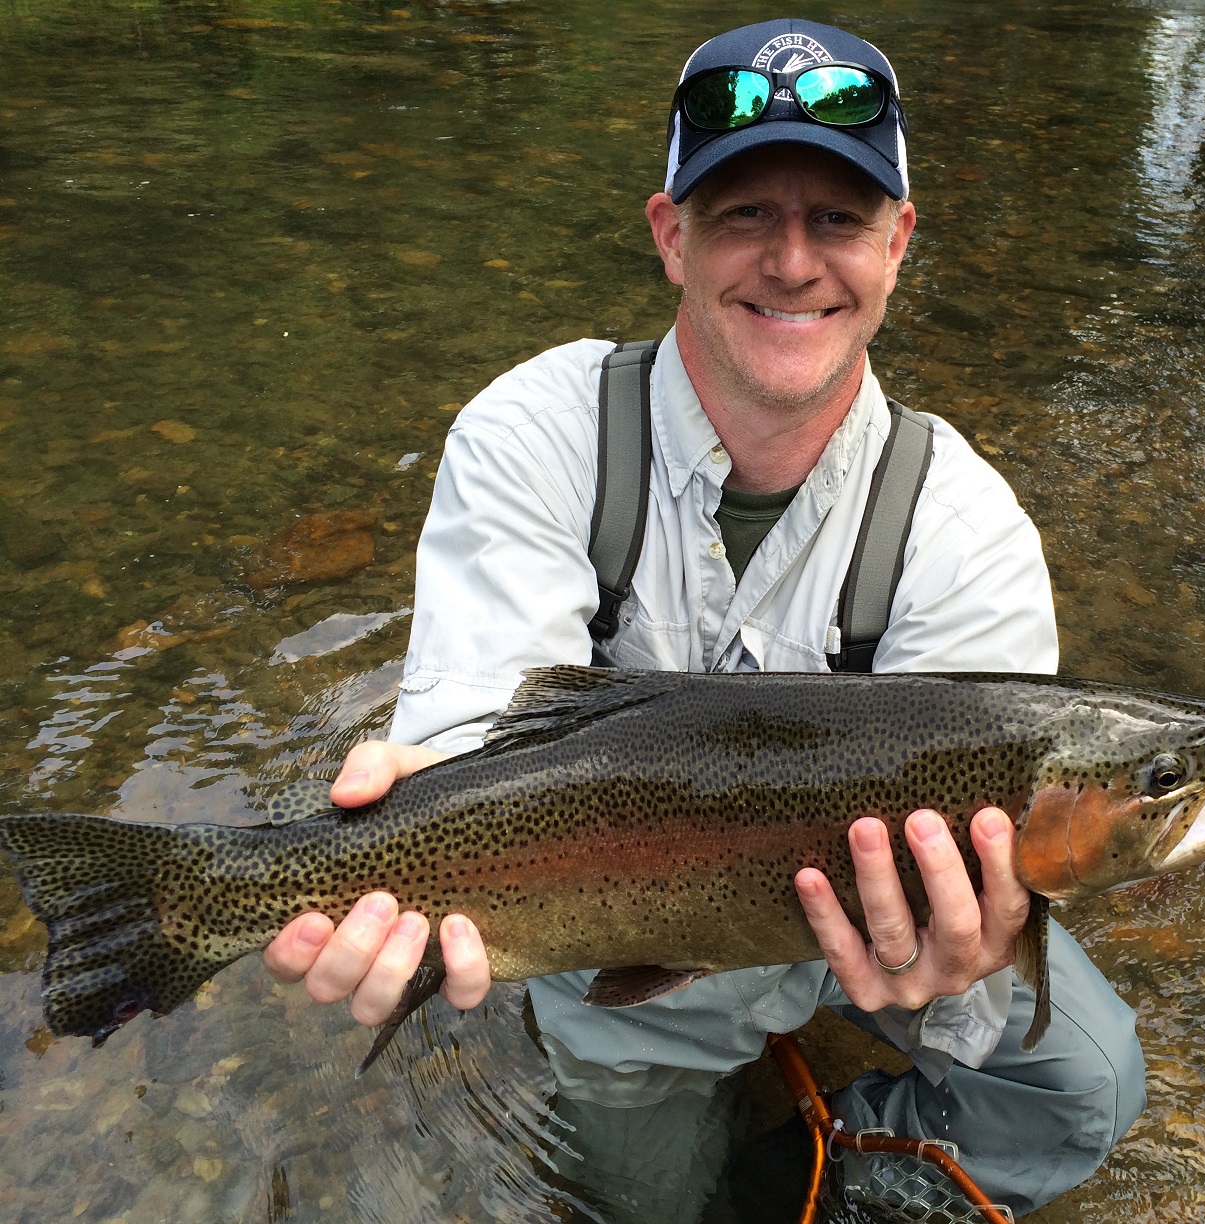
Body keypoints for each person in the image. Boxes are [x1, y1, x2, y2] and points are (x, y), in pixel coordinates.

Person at [263, 18, 1144, 1220]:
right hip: (610, 935)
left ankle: (835, 1176)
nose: (793, 262)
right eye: (744, 216)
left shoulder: (965, 530)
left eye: (839, 220)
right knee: (653, 1206)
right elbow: (470, 737)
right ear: (671, 236)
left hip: (871, 934)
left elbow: (1000, 822)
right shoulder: (535, 435)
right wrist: (404, 831)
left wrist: (975, 944)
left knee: (1085, 1089)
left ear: (898, 243)